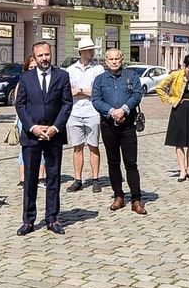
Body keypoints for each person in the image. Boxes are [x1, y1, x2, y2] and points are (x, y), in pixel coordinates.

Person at [14, 40, 71, 235]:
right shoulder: (26, 77)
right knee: (30, 179)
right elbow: (20, 105)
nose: (44, 58)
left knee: (53, 178)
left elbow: (66, 104)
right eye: (40, 56)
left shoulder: (62, 76)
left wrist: (56, 127)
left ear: (51, 54)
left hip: (54, 135)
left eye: (47, 54)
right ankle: (28, 220)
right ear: (34, 57)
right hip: (32, 136)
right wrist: (32, 127)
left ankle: (52, 218)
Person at [92, 47, 146, 215]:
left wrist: (123, 109)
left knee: (131, 163)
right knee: (113, 162)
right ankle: (118, 196)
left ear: (122, 59)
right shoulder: (100, 79)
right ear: (105, 61)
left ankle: (136, 199)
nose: (114, 62)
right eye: (110, 59)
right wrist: (111, 112)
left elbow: (137, 94)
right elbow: (95, 99)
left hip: (128, 125)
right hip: (108, 125)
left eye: (117, 59)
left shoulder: (131, 76)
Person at [156, 54, 189, 181]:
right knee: (179, 141)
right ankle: (182, 169)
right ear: (185, 65)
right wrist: (169, 100)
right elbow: (160, 87)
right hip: (178, 109)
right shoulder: (175, 75)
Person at [64, 38, 103, 192]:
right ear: (81, 52)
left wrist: (80, 91)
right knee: (77, 147)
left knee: (93, 146)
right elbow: (68, 92)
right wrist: (85, 91)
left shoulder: (98, 69)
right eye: (88, 50)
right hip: (75, 113)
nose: (91, 52)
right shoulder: (71, 70)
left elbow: (97, 92)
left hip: (92, 112)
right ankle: (78, 179)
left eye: (92, 50)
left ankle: (95, 178)